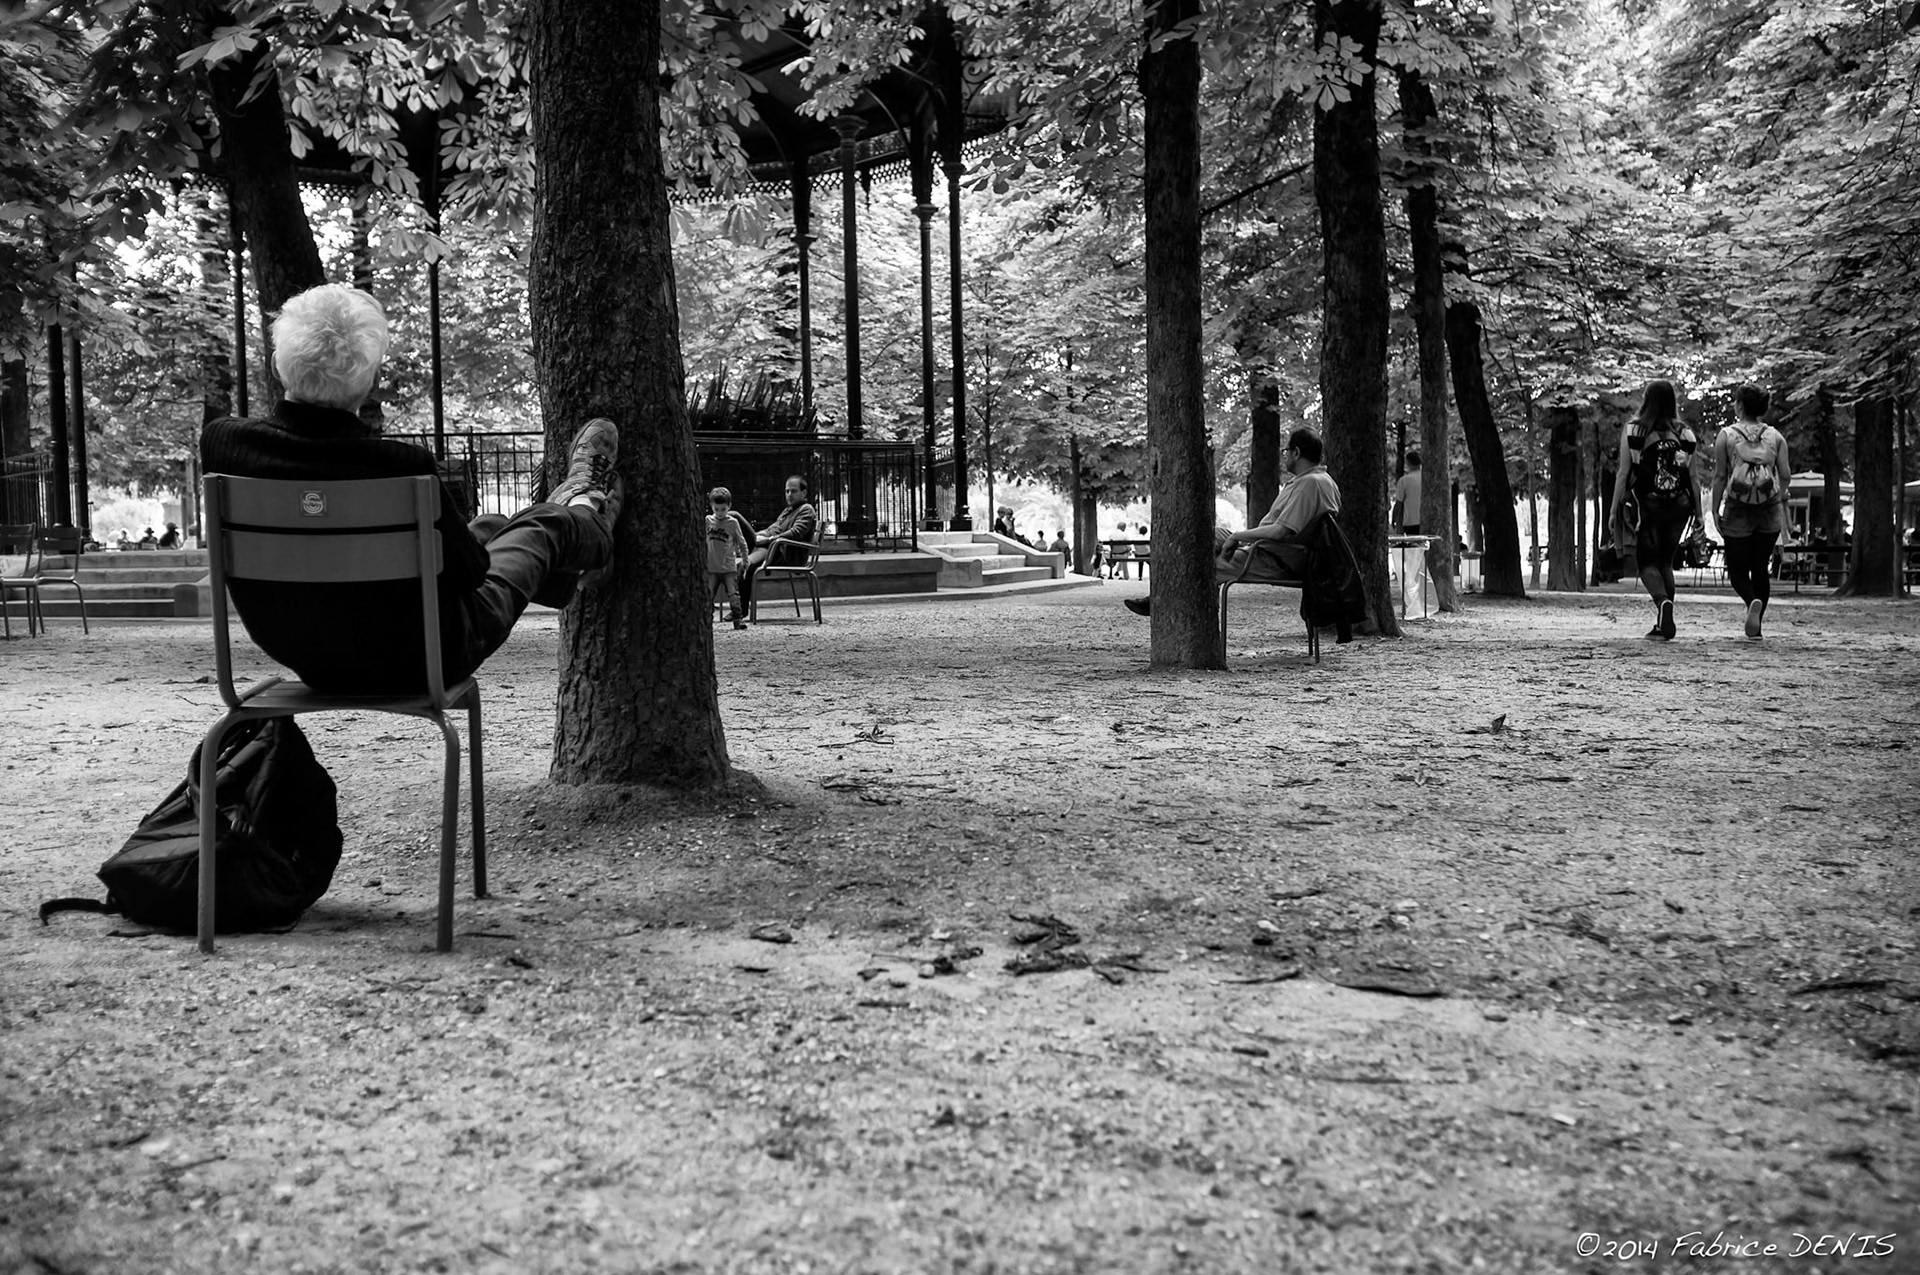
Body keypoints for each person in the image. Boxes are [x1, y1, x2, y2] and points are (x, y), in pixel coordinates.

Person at [200, 283, 624, 694]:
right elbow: (472, 575)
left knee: (491, 527)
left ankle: (572, 573)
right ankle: (589, 514)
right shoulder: (402, 468)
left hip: (305, 655)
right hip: (429, 655)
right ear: (368, 380)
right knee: (543, 524)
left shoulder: (223, 445)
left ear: (279, 363)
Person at [1123, 428, 1340, 616]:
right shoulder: (1321, 481)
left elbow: (1280, 532)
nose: (1284, 456)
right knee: (1206, 536)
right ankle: (1158, 595)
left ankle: (1164, 603)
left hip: (1274, 557)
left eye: (1286, 452)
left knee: (1200, 565)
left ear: (1297, 453)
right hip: (1275, 551)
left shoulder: (1309, 485)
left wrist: (1237, 536)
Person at [1608, 379, 1700, 641]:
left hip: (1649, 504)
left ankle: (1662, 605)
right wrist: (1700, 514)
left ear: (1646, 400)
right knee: (1666, 563)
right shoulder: (1685, 434)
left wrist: (1615, 509)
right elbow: (1693, 478)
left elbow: (1624, 473)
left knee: (1647, 562)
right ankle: (1663, 623)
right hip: (1680, 506)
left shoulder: (1634, 430)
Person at [1710, 383, 1791, 639]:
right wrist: (1779, 495)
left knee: (1736, 571)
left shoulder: (1726, 436)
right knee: (1760, 568)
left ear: (1740, 406)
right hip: (1769, 510)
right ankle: (1757, 625)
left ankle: (1750, 601)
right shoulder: (1776, 437)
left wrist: (1714, 510)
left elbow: (1720, 476)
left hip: (1738, 508)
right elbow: (1786, 475)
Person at [740, 473, 818, 614]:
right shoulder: (788, 510)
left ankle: (740, 609)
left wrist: (768, 540)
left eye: (793, 491)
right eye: (787, 491)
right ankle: (739, 608)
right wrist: (758, 536)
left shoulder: (806, 510)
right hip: (771, 549)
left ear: (804, 492)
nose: (789, 495)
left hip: (785, 554)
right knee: (742, 565)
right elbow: (773, 529)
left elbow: (796, 533)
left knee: (734, 516)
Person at [704, 487, 749, 630]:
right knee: (709, 595)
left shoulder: (732, 523)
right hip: (712, 567)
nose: (720, 513)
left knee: (733, 594)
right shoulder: (708, 521)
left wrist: (745, 559)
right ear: (711, 506)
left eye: (723, 509)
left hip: (728, 567)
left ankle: (738, 619)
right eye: (716, 509)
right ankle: (707, 620)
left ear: (729, 506)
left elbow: (742, 543)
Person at [1392, 451, 1423, 534]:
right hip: (1426, 520)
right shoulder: (1427, 478)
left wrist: (1394, 520)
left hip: (1411, 522)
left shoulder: (1404, 480)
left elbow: (1399, 503)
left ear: (1408, 463)